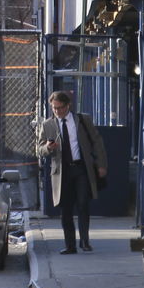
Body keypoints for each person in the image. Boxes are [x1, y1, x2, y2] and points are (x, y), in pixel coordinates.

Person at [36, 90, 107, 254]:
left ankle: (84, 241)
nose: (57, 111)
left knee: (83, 204)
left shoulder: (82, 120)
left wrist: (101, 164)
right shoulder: (48, 125)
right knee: (65, 208)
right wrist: (47, 148)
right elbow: (38, 149)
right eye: (54, 108)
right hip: (62, 171)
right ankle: (70, 245)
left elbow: (97, 141)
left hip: (81, 168)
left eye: (60, 108)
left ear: (68, 106)